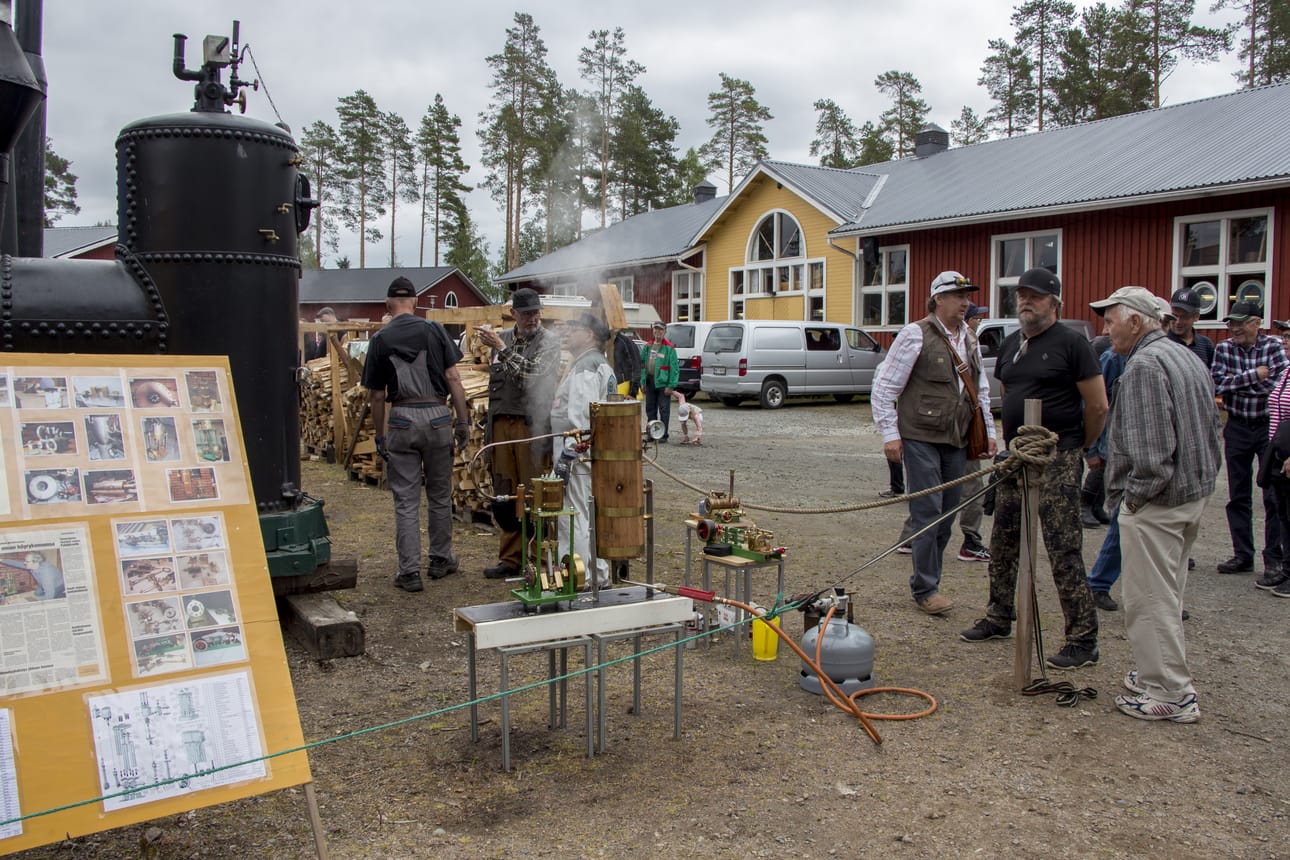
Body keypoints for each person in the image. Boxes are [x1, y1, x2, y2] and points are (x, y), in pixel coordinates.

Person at [961, 267, 1108, 670]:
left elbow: (1097, 405)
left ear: (1055, 302)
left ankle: (1082, 638)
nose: (1026, 301)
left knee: (1063, 546)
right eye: (1022, 295)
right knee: (1004, 537)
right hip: (1018, 455)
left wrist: (1082, 445)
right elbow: (1010, 394)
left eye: (1036, 296)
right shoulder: (1011, 345)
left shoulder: (1074, 345)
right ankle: (999, 614)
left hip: (1057, 457)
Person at [1089, 286, 1220, 722]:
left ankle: (1170, 692)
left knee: (1149, 598)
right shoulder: (1186, 356)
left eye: (1110, 320)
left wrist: (1133, 501)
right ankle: (1155, 673)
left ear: (1136, 321)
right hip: (1191, 494)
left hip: (1160, 502)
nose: (1105, 330)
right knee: (1167, 591)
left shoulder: (1144, 365)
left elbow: (1151, 451)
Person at [871, 271, 996, 615]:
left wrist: (989, 432)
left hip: (956, 438)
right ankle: (926, 588)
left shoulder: (969, 338)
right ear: (938, 299)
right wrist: (890, 435)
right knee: (927, 512)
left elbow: (980, 391)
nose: (965, 302)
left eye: (967, 296)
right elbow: (885, 389)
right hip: (921, 437)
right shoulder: (915, 334)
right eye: (958, 296)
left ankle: (931, 580)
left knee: (949, 512)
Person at [362, 277, 470, 593]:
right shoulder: (434, 330)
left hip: (402, 420)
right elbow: (453, 378)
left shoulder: (380, 339)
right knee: (439, 493)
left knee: (406, 500)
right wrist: (462, 421)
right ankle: (440, 559)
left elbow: (377, 396)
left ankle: (409, 572)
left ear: (388, 304)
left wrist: (380, 436)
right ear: (415, 301)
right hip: (437, 418)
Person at [1087, 297, 1172, 612]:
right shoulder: (1113, 359)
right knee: (1123, 521)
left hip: (1143, 459)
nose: (1106, 330)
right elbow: (1098, 405)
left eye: (1111, 323)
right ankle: (1097, 583)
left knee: (1131, 524)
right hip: (1123, 455)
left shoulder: (1163, 357)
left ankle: (1159, 594)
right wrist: (1094, 448)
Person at [478, 288, 562, 581]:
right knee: (505, 493)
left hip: (532, 427)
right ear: (514, 313)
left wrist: (502, 348)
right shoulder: (503, 338)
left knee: (535, 492)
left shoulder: (549, 342)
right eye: (527, 313)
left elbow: (532, 377)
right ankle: (510, 559)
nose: (533, 318)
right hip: (502, 424)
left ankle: (539, 560)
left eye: (536, 312)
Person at [1210, 299, 1286, 575]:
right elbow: (1216, 383)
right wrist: (1255, 375)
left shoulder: (1274, 347)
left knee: (1272, 494)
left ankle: (1273, 558)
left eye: (1241, 322)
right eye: (1232, 323)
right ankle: (1243, 554)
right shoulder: (1223, 348)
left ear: (1256, 323)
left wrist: (1237, 380)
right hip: (1238, 425)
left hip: (1268, 427)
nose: (1235, 328)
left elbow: (1277, 386)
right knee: (1237, 494)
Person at [550, 313, 618, 587]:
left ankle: (577, 577)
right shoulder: (599, 364)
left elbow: (581, 420)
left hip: (577, 459)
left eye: (575, 328)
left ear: (589, 335)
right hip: (590, 456)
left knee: (573, 516)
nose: (569, 332)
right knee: (591, 515)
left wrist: (569, 456)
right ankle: (598, 574)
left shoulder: (586, 368)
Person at [956, 302, 993, 563]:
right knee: (971, 486)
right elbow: (981, 391)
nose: (979, 322)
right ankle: (970, 541)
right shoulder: (967, 342)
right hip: (961, 426)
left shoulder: (969, 342)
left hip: (961, 425)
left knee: (936, 487)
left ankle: (913, 538)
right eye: (977, 318)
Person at [1258, 319, 1290, 596]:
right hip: (1278, 451)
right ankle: (1286, 570)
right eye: (1285, 336)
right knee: (1282, 512)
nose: (1285, 342)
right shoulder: (1287, 370)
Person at [640, 322, 679, 442]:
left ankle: (663, 435)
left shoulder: (669, 348)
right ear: (653, 331)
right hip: (650, 382)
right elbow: (642, 365)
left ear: (665, 331)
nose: (658, 332)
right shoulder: (647, 346)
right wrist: (642, 382)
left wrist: (671, 385)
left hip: (663, 384)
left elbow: (674, 369)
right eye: (656, 329)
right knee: (650, 409)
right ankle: (652, 434)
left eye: (660, 330)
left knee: (664, 410)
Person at [1166, 287, 1216, 368]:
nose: (1178, 321)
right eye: (1174, 315)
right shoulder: (1163, 342)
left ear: (1196, 316)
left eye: (1184, 317)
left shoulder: (1206, 345)